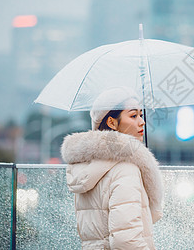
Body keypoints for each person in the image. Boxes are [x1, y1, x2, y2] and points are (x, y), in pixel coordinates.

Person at [61, 87, 163, 250]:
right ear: (112, 122)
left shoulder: (87, 166)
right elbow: (127, 242)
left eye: (141, 115)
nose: (142, 122)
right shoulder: (125, 170)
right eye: (133, 115)